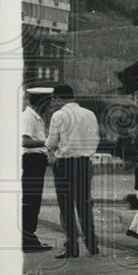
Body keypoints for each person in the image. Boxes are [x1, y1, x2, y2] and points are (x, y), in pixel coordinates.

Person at [45, 84, 100, 258]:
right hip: (85, 163)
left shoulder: (59, 115)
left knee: (66, 207)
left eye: (54, 99)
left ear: (58, 98)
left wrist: (48, 145)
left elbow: (52, 143)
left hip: (65, 165)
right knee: (84, 205)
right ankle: (92, 244)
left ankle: (72, 246)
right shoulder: (89, 114)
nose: (53, 103)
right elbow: (95, 139)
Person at [21, 88, 52, 251]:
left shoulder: (36, 117)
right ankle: (27, 239)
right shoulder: (28, 117)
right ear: (41, 102)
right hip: (31, 161)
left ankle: (29, 237)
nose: (49, 106)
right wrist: (47, 142)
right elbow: (24, 142)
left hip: (37, 161)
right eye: (48, 102)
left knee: (34, 201)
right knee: (31, 201)